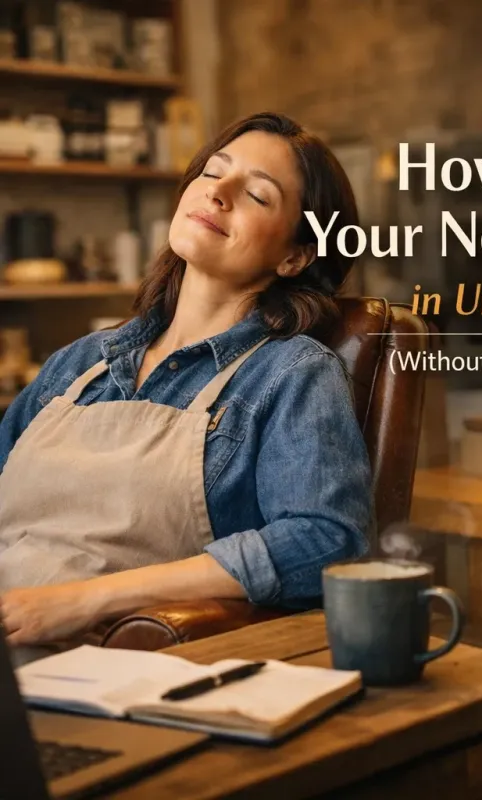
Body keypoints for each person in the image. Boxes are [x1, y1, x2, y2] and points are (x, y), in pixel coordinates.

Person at [0, 112, 373, 661]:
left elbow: (326, 542)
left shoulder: (291, 373)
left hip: (101, 668)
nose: (218, 192)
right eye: (213, 172)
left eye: (258, 195)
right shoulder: (79, 363)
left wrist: (85, 600)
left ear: (295, 256)